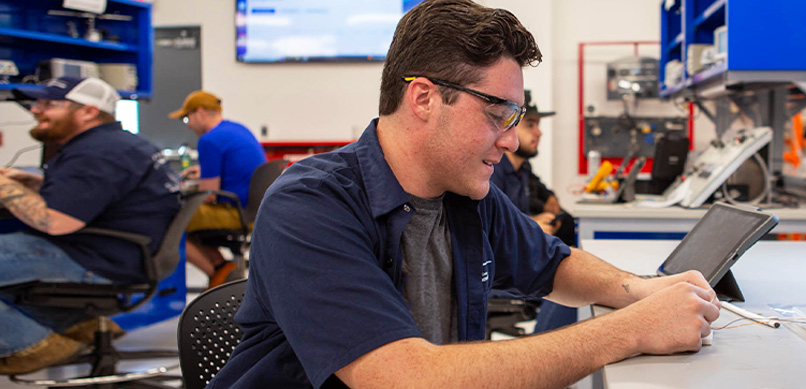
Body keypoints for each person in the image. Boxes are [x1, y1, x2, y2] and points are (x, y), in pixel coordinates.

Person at [208, 1, 720, 387]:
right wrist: (630, 330)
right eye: (498, 114)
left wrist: (642, 291)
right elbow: (401, 377)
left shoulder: (466, 195)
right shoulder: (310, 205)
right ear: (426, 98)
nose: (512, 139)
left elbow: (554, 266)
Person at [0, 77, 180, 374]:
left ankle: (29, 346)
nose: (36, 110)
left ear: (88, 111)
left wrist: (5, 185)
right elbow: (106, 193)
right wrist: (40, 182)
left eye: (49, 104)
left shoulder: (98, 152)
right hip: (120, 254)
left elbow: (55, 222)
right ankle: (72, 327)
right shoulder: (118, 144)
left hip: (93, 257)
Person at [489, 90, 579, 334]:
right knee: (574, 289)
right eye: (530, 125)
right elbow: (486, 232)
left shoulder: (522, 170)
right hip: (503, 275)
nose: (538, 132)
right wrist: (530, 225)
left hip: (524, 260)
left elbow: (544, 196)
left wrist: (548, 203)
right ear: (507, 126)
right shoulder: (491, 174)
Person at [168, 91, 266, 288]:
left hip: (234, 212)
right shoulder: (237, 129)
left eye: (187, 118)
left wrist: (191, 187)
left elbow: (208, 195)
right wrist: (204, 172)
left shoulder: (209, 140)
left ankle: (218, 274)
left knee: (169, 223)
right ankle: (223, 267)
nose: (188, 125)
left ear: (200, 112)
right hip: (253, 211)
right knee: (189, 224)